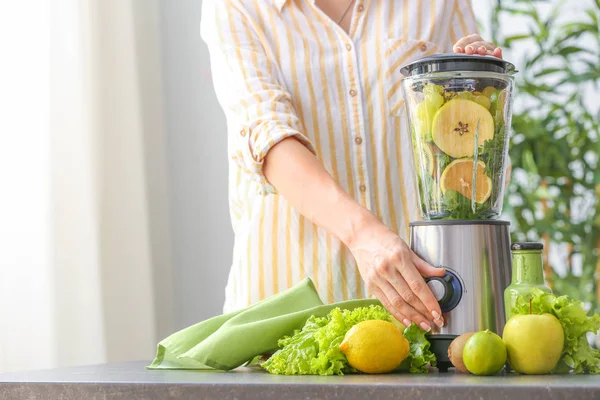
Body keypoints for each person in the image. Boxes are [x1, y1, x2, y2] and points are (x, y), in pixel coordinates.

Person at [201, 0, 503, 332]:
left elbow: (461, 145)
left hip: (418, 313)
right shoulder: (237, 6)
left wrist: (481, 83)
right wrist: (363, 235)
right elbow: (267, 136)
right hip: (285, 320)